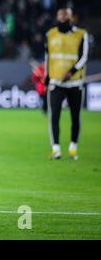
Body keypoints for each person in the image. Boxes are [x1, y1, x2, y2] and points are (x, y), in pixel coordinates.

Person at [45, 8, 89, 160]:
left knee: (75, 117)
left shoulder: (81, 34)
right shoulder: (50, 34)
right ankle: (56, 148)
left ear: (72, 17)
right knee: (54, 116)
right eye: (61, 14)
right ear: (57, 17)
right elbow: (48, 57)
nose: (63, 17)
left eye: (66, 14)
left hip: (75, 83)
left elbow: (84, 58)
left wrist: (71, 72)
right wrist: (46, 76)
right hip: (56, 82)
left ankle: (73, 148)